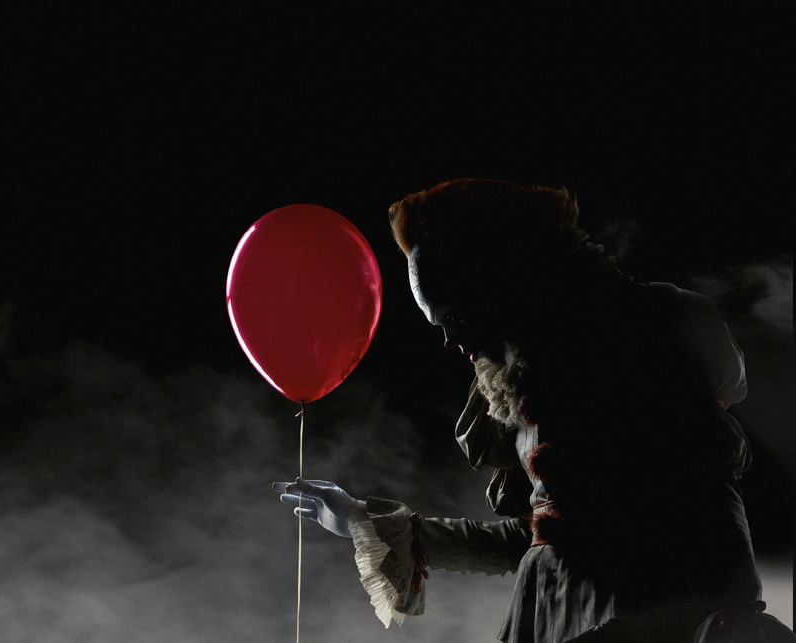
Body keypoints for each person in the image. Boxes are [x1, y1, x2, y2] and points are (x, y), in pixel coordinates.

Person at [275, 179, 794, 642]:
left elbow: (696, 499)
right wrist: (362, 519)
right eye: (439, 324)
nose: (450, 339)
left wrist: (728, 616)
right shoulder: (531, 390)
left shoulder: (643, 339)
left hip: (644, 616)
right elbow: (543, 539)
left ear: (502, 283)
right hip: (558, 616)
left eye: (454, 315)